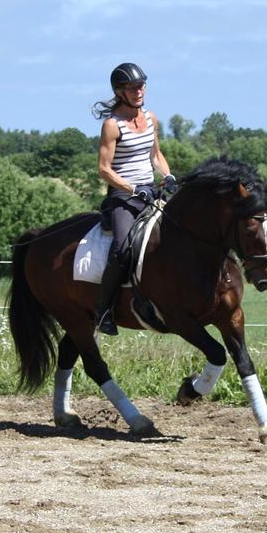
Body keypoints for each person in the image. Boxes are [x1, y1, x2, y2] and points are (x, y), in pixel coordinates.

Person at [91, 62, 177, 335]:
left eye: (142, 86)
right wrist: (130, 188)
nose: (139, 91)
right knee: (123, 248)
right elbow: (104, 169)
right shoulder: (112, 126)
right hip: (123, 197)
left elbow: (155, 155)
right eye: (133, 87)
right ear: (120, 92)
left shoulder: (151, 118)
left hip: (150, 190)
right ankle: (103, 309)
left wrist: (168, 175)